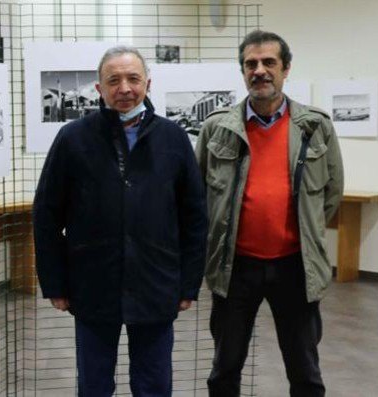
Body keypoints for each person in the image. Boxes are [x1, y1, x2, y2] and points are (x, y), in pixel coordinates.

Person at [32, 46, 207, 397]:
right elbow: (47, 214)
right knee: (94, 385)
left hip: (156, 283)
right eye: (114, 80)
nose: (124, 88)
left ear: (148, 84)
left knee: (154, 384)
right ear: (99, 89)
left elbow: (195, 216)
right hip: (93, 282)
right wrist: (55, 283)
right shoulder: (73, 138)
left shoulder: (173, 138)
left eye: (133, 79)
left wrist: (189, 284)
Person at [197, 30, 344, 397]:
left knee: (305, 370)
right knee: (225, 368)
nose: (259, 70)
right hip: (234, 268)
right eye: (251, 63)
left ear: (286, 68)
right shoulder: (219, 127)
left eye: (269, 63)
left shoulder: (316, 125)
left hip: (296, 267)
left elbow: (331, 192)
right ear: (243, 70)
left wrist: (303, 232)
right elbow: (198, 193)